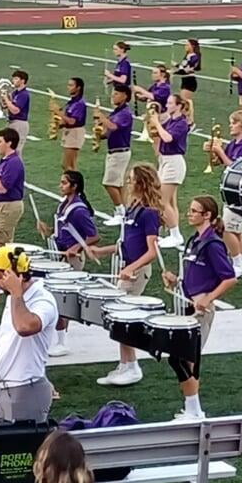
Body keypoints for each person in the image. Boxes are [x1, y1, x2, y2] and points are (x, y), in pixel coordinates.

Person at [93, 165, 164, 389]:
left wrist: (131, 268)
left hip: (136, 272)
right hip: (127, 266)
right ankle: (125, 363)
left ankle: (132, 366)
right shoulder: (133, 207)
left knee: (123, 319)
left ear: (141, 183)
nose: (127, 182)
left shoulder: (150, 213)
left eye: (131, 179)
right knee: (119, 318)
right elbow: (125, 242)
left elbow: (152, 251)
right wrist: (102, 250)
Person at [166, 197, 236, 421]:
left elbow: (229, 278)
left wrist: (209, 299)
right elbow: (194, 276)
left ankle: (195, 410)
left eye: (195, 211)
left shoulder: (213, 244)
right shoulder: (195, 240)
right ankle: (192, 408)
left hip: (200, 311)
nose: (189, 214)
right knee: (181, 359)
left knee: (184, 359)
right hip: (187, 304)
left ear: (207, 215)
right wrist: (175, 281)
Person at [0, 245, 58, 423]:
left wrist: (17, 293)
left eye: (0, 277)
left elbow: (24, 327)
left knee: (24, 449)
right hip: (7, 389)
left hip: (26, 390)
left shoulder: (42, 300)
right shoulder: (13, 298)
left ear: (19, 276)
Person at [38, 171, 98, 357]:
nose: (60, 185)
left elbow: (94, 236)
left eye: (64, 183)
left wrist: (76, 248)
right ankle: (57, 338)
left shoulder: (79, 210)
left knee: (62, 300)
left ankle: (62, 342)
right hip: (60, 254)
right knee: (56, 296)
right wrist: (46, 229)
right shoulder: (65, 204)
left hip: (71, 259)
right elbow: (62, 231)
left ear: (74, 186)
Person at [211, 110, 242, 275]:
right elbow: (221, 163)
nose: (230, 125)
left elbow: (235, 167)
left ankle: (238, 263)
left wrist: (220, 152)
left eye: (233, 122)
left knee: (227, 229)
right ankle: (241, 264)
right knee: (237, 230)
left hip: (240, 192)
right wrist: (213, 152)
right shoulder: (234, 143)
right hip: (231, 189)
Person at [148, 97, 190, 247]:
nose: (167, 105)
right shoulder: (172, 121)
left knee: (161, 200)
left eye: (170, 103)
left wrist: (157, 122)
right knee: (171, 201)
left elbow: (167, 137)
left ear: (179, 106)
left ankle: (176, 234)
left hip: (174, 162)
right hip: (165, 161)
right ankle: (173, 233)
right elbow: (158, 134)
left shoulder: (181, 123)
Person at [96, 85, 135, 222]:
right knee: (118, 184)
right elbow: (109, 131)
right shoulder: (116, 112)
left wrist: (101, 117)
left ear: (125, 95)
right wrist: (99, 135)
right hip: (114, 151)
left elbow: (113, 126)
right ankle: (124, 210)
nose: (113, 96)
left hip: (120, 152)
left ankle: (120, 212)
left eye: (117, 94)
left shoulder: (124, 113)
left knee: (109, 183)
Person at [56, 77, 87, 172]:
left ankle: (75, 185)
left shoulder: (79, 103)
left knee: (69, 165)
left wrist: (59, 113)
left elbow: (72, 121)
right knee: (67, 165)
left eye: (71, 85)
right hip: (69, 132)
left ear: (78, 88)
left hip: (74, 133)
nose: (68, 87)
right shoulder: (72, 102)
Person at [1, 70, 31, 152]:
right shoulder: (15, 93)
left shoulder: (24, 94)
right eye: (13, 78)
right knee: (9, 149)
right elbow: (7, 106)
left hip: (20, 123)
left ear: (22, 81)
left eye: (16, 78)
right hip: (12, 122)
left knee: (16, 150)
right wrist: (3, 100)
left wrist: (6, 99)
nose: (13, 81)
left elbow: (15, 110)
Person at [174, 37, 202, 118]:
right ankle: (185, 117)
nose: (185, 46)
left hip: (190, 81)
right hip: (185, 79)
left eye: (187, 45)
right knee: (183, 101)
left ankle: (190, 118)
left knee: (185, 102)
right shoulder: (188, 55)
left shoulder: (194, 57)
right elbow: (182, 67)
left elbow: (186, 69)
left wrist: (176, 70)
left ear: (192, 46)